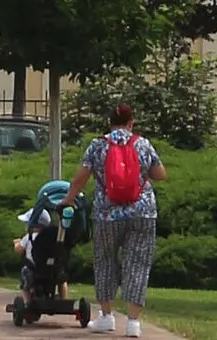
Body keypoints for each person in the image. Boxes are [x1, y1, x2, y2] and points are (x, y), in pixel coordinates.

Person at [66, 98, 165, 339]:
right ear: (131, 122)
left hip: (106, 213)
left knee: (105, 260)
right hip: (142, 212)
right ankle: (133, 323)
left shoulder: (98, 145)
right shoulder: (142, 144)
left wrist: (68, 199)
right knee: (138, 263)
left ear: (109, 123)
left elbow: (80, 177)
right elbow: (160, 174)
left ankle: (107, 317)